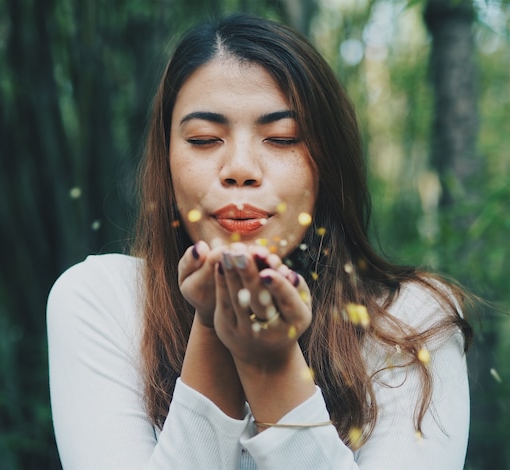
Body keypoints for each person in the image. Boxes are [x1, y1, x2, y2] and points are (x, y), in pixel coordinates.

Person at [47, 13, 473, 469]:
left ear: (326, 167)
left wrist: (272, 368)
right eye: (205, 139)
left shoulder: (409, 323)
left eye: (282, 138)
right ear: (166, 161)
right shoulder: (103, 301)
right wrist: (210, 330)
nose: (241, 167)